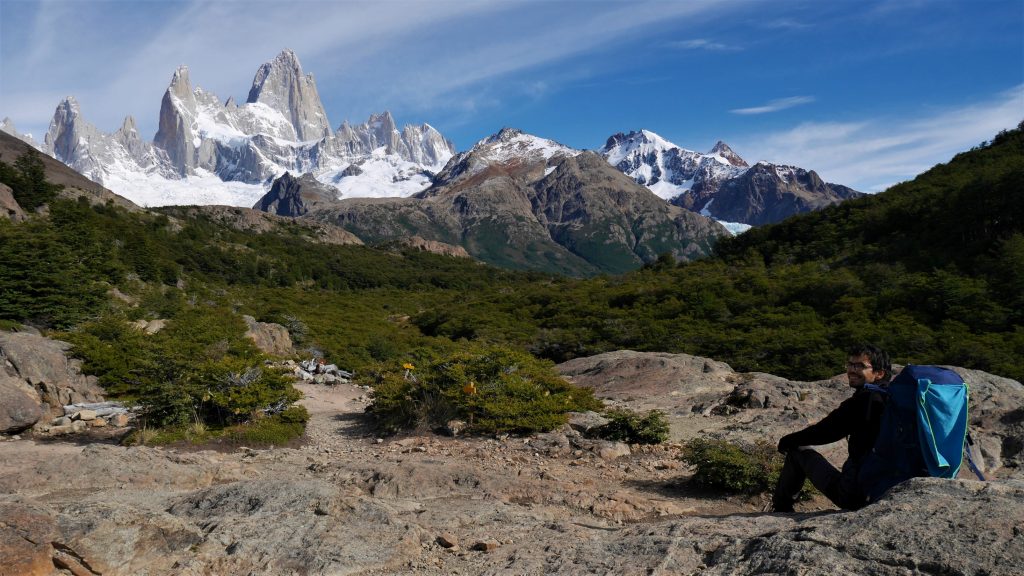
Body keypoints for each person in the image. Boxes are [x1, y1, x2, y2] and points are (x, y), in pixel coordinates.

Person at [771, 344, 892, 512]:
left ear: (880, 373)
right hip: (893, 491)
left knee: (797, 452)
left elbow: (825, 432)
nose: (851, 370)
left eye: (860, 366)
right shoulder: (895, 400)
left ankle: (781, 509)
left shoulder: (864, 400)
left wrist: (787, 441)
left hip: (857, 494)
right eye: (850, 365)